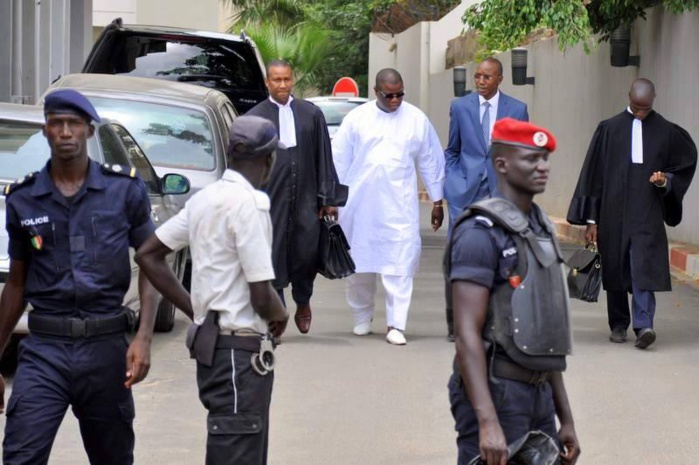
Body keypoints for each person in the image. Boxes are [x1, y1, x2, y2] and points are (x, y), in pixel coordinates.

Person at [0, 89, 158, 464]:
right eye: (57, 124)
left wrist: (144, 337)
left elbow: (153, 266)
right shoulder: (23, 199)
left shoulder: (124, 191)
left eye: (74, 124)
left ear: (89, 131)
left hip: (105, 348)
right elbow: (17, 283)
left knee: (113, 458)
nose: (66, 132)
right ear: (46, 131)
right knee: (20, 454)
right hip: (44, 351)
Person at [134, 115, 289, 465]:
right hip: (238, 353)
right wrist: (279, 313)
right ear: (268, 160)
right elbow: (261, 294)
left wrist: (196, 310)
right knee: (238, 453)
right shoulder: (249, 204)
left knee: (236, 450)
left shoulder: (206, 200)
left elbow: (149, 253)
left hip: (217, 348)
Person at [447, 118, 580, 465]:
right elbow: (466, 335)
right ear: (502, 164)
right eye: (532, 158)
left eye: (545, 159)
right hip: (497, 392)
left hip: (537, 393)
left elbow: (544, 336)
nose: (543, 167)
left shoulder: (540, 227)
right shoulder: (479, 233)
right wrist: (487, 422)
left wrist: (564, 417)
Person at [567, 78, 697, 349]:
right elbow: (593, 176)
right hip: (611, 212)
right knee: (613, 267)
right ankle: (618, 324)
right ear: (628, 97)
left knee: (643, 267)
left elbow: (683, 164)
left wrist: (665, 181)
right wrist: (591, 219)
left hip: (646, 211)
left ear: (654, 100)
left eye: (645, 108)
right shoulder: (609, 129)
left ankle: (644, 325)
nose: (640, 112)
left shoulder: (666, 131)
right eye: (636, 107)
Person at [332, 68, 445, 345]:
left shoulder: (416, 119)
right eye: (389, 95)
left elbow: (430, 160)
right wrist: (332, 200)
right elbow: (339, 161)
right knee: (359, 265)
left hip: (399, 207)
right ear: (376, 92)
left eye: (400, 94)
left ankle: (396, 324)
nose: (395, 100)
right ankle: (361, 317)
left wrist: (437, 200)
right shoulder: (356, 119)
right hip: (359, 205)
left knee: (399, 264)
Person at [247, 59, 346, 335]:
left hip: (306, 194)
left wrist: (327, 198)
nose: (282, 85)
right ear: (267, 82)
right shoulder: (254, 117)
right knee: (273, 251)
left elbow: (323, 157)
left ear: (293, 80)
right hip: (271, 197)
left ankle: (303, 302)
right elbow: (248, 162)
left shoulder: (310, 114)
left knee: (306, 252)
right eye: (276, 80)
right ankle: (277, 314)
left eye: (287, 79)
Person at [443, 57, 529, 342]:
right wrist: (453, 183)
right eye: (477, 76)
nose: (480, 82)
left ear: (499, 79)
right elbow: (452, 150)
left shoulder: (517, 110)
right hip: (465, 194)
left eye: (486, 77)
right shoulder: (460, 107)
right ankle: (456, 324)